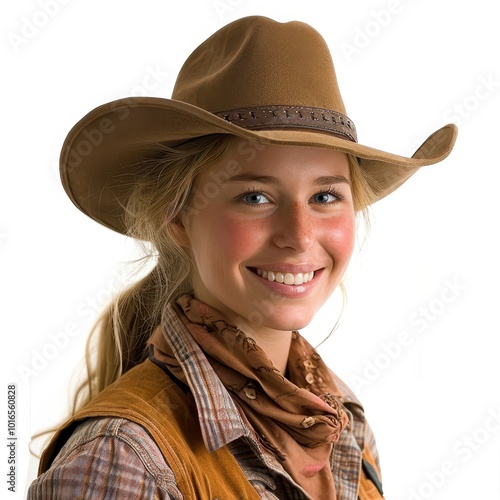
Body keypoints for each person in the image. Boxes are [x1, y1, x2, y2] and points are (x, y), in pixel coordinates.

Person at [27, 15, 457, 499]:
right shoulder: (124, 458)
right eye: (255, 197)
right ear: (178, 217)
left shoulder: (343, 421)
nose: (298, 236)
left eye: (325, 197)